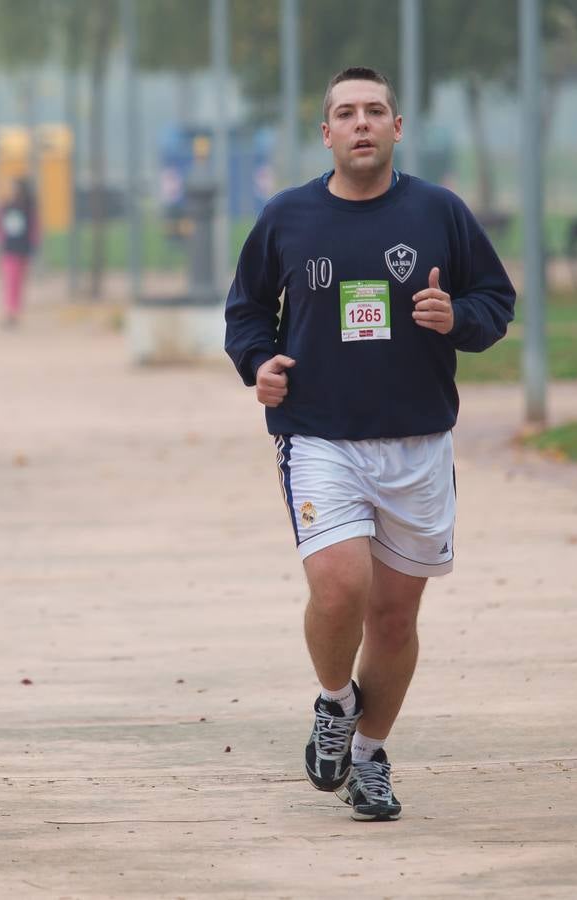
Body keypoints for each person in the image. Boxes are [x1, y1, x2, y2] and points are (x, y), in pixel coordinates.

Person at [223, 67, 516, 822]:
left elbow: (495, 300)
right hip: (321, 434)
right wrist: (260, 365)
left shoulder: (439, 211)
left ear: (396, 127)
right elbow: (248, 311)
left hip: (418, 441)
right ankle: (333, 701)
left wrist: (458, 317)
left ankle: (368, 755)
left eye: (374, 111)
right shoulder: (288, 216)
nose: (361, 123)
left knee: (392, 619)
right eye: (345, 113)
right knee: (339, 587)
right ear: (325, 133)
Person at [0, 177, 37, 326]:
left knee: (19, 282)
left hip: (23, 249)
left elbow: (33, 228)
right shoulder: (6, 206)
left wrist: (33, 245)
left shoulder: (28, 208)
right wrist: (0, 242)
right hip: (9, 249)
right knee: (10, 281)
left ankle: (16, 311)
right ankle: (9, 311)